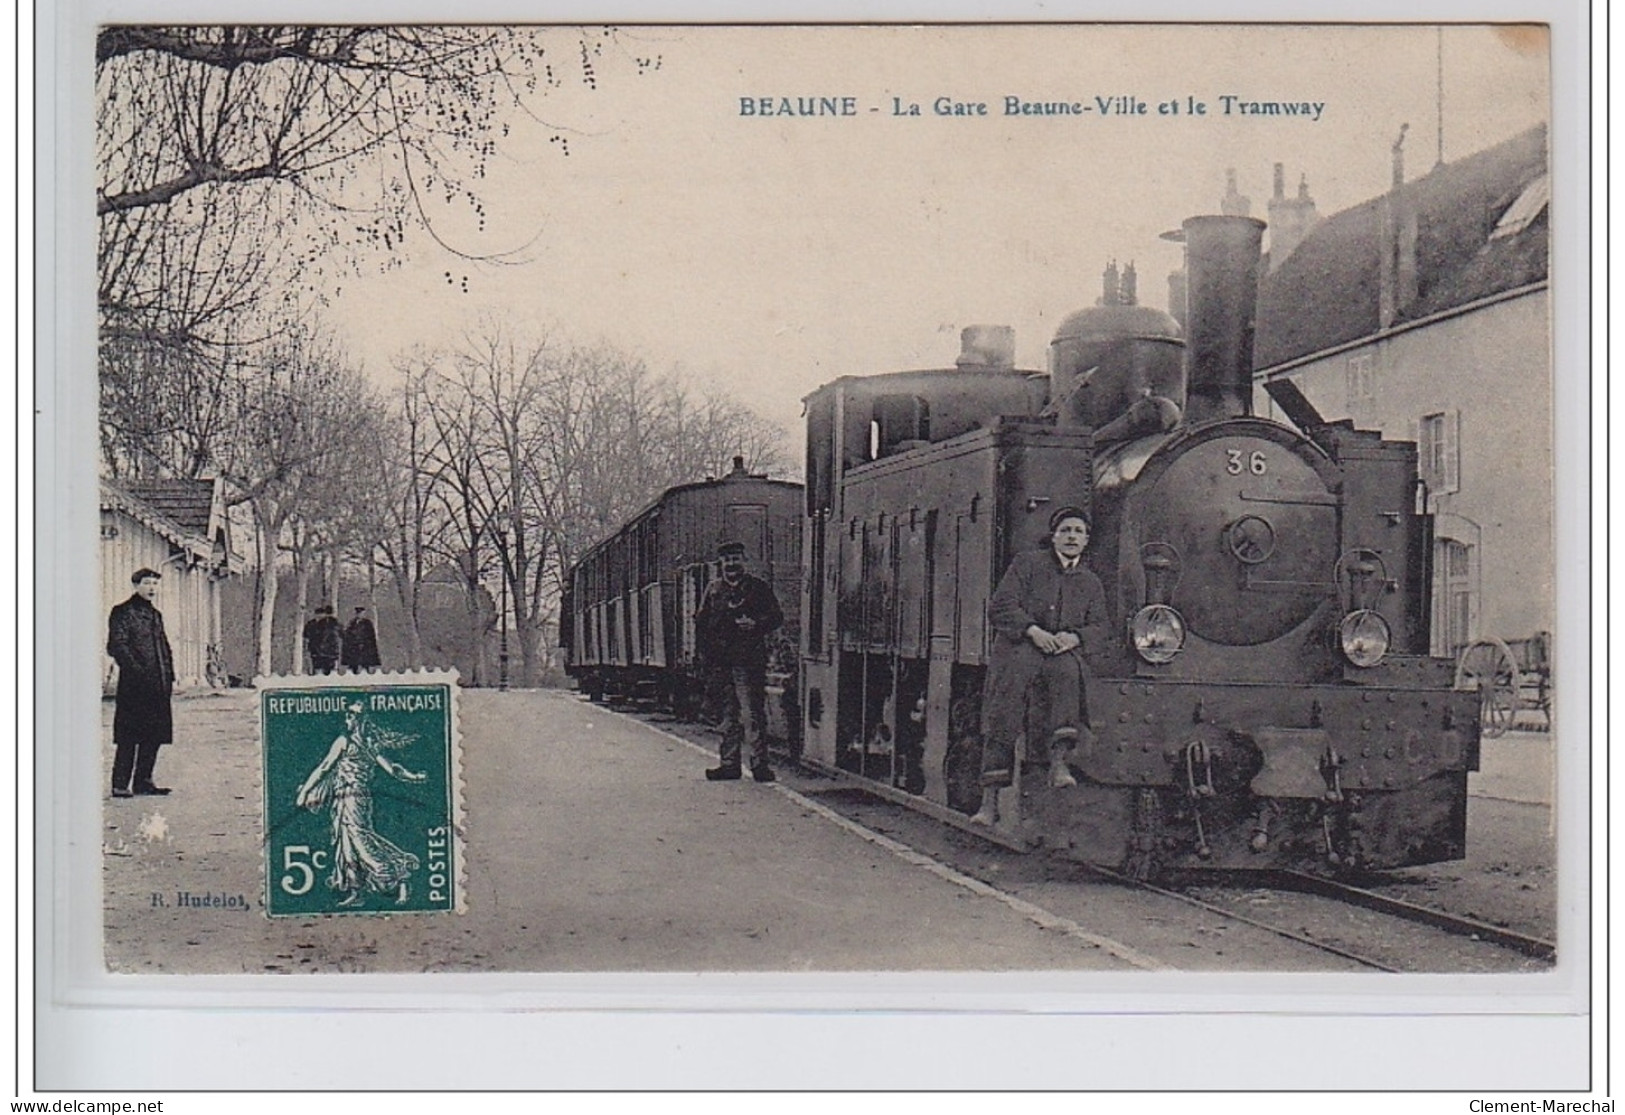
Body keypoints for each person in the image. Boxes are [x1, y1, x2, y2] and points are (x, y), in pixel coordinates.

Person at [971, 506, 1108, 826]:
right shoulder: (1027, 564)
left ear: (1087, 540)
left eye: (1078, 532)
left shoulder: (1090, 582)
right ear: (1054, 536)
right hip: (1021, 648)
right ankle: (989, 802)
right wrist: (1033, 631)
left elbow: (1101, 627)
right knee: (1003, 711)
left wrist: (1075, 638)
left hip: (1060, 653)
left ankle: (1059, 762)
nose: (1072, 537)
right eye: (1066, 531)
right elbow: (1002, 606)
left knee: (1068, 674)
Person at [294, 700, 426, 908]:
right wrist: (306, 791)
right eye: (348, 714)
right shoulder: (345, 741)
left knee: (360, 840)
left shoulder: (365, 744)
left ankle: (398, 875)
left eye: (353, 714)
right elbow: (324, 767)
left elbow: (392, 768)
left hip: (356, 798)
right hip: (341, 798)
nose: (348, 717)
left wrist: (413, 777)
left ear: (361, 719)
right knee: (346, 845)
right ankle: (357, 892)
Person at [694, 540, 785, 782]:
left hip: (748, 660)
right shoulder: (713, 591)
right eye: (727, 560)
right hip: (721, 663)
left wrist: (756, 624)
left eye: (736, 558)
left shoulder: (758, 589)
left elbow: (776, 616)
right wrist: (705, 657)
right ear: (720, 563)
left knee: (752, 713)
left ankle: (759, 765)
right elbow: (701, 624)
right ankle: (729, 764)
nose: (731, 564)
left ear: (744, 561)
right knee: (726, 715)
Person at [106, 567, 175, 797]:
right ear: (136, 585)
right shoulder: (123, 612)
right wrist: (137, 672)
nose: (152, 588)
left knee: (153, 734)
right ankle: (120, 784)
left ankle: (144, 782)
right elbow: (117, 645)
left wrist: (169, 676)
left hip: (158, 684)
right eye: (147, 583)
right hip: (134, 686)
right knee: (129, 735)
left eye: (155, 583)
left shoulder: (156, 615)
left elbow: (164, 648)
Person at [342, 605, 382, 673]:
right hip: (355, 649)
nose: (360, 615)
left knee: (365, 666)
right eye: (359, 613)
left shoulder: (368, 623)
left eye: (362, 613)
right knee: (354, 666)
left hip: (365, 648)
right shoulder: (352, 623)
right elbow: (348, 636)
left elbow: (371, 637)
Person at [303, 604, 341, 675]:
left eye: (322, 615)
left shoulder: (329, 624)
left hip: (328, 651)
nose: (320, 617)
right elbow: (306, 636)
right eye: (318, 615)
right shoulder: (310, 624)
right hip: (314, 649)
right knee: (316, 667)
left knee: (327, 668)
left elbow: (333, 637)